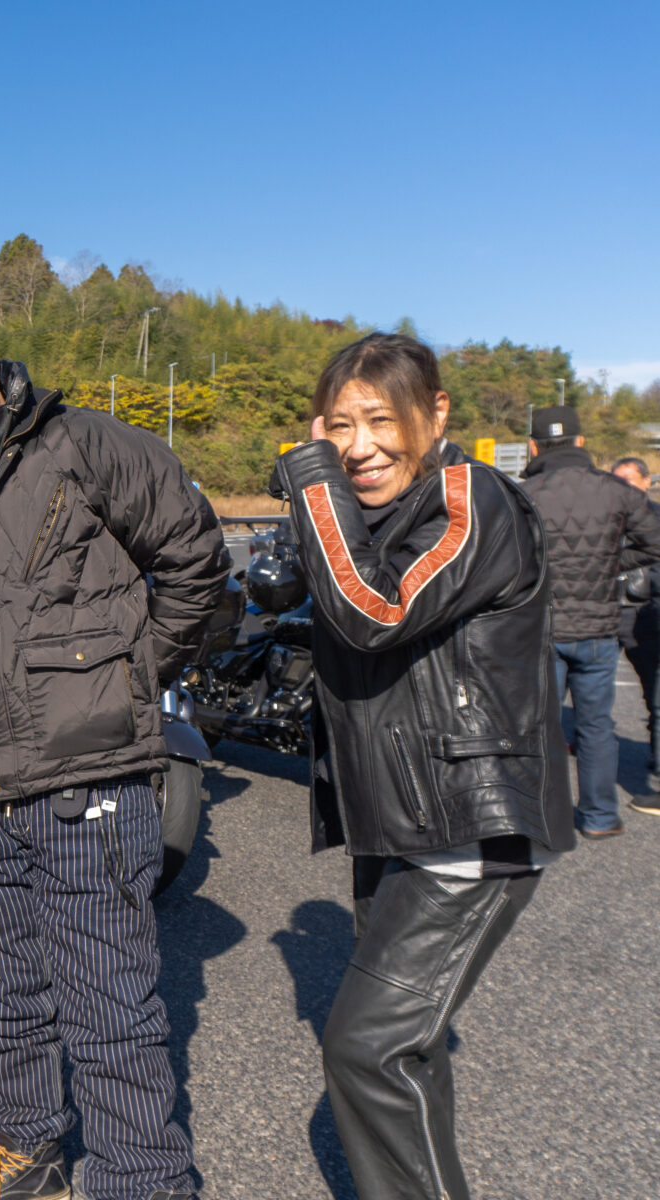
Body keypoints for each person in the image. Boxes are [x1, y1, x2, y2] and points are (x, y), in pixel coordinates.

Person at [0, 286, 228, 1200]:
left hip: (90, 784)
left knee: (109, 1005)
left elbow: (194, 559)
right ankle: (27, 1155)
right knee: (0, 1000)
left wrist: (130, 674)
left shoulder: (87, 445)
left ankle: (142, 1180)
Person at [272, 333, 574, 1200]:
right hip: (401, 817)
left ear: (436, 413)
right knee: (404, 1052)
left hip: (468, 819)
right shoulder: (386, 512)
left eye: (380, 420)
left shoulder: (471, 497)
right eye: (338, 426)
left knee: (368, 1052)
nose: (359, 446)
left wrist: (313, 480)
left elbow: (374, 611)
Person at [518, 405, 660, 837]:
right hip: (598, 628)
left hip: (543, 628)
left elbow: (504, 560)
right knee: (597, 726)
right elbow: (655, 543)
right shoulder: (615, 489)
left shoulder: (524, 494)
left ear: (534, 447)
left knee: (540, 726)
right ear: (581, 442)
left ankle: (543, 818)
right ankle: (599, 816)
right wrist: (611, 561)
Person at [609, 456, 660, 814]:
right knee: (589, 690)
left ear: (646, 481)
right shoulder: (603, 515)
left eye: (629, 479)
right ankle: (584, 744)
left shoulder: (655, 516)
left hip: (643, 614)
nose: (622, 486)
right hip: (605, 611)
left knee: (654, 693)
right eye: (616, 480)